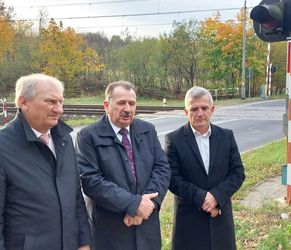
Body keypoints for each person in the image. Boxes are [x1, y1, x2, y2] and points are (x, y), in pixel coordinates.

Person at [0, 73, 92, 250]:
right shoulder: (4, 146)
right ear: (23, 102)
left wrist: (83, 241)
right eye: (50, 102)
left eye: (61, 102)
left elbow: (76, 197)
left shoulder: (64, 141)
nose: (59, 109)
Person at [76, 80, 170, 250]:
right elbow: (91, 181)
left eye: (132, 103)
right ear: (106, 105)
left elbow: (162, 168)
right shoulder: (88, 136)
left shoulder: (147, 130)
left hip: (146, 228)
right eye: (121, 103)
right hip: (111, 232)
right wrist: (133, 204)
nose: (128, 109)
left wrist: (147, 205)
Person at [164, 86, 245, 250]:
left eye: (204, 108)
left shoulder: (226, 136)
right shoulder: (174, 139)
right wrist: (201, 198)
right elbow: (172, 179)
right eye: (194, 109)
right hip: (189, 222)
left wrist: (216, 197)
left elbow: (237, 173)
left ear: (212, 109)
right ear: (186, 111)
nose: (199, 113)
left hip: (220, 219)